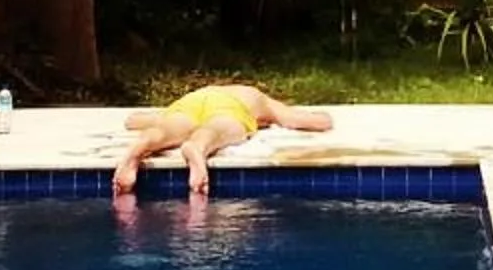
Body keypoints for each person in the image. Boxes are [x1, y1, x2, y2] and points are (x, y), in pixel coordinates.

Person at [112, 82, 334, 197]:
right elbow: (306, 121)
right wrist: (324, 117)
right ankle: (197, 148)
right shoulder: (256, 97)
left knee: (169, 127)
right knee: (221, 127)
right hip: (230, 107)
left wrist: (153, 121)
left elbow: (131, 120)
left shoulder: (200, 93)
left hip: (187, 104)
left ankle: (140, 147)